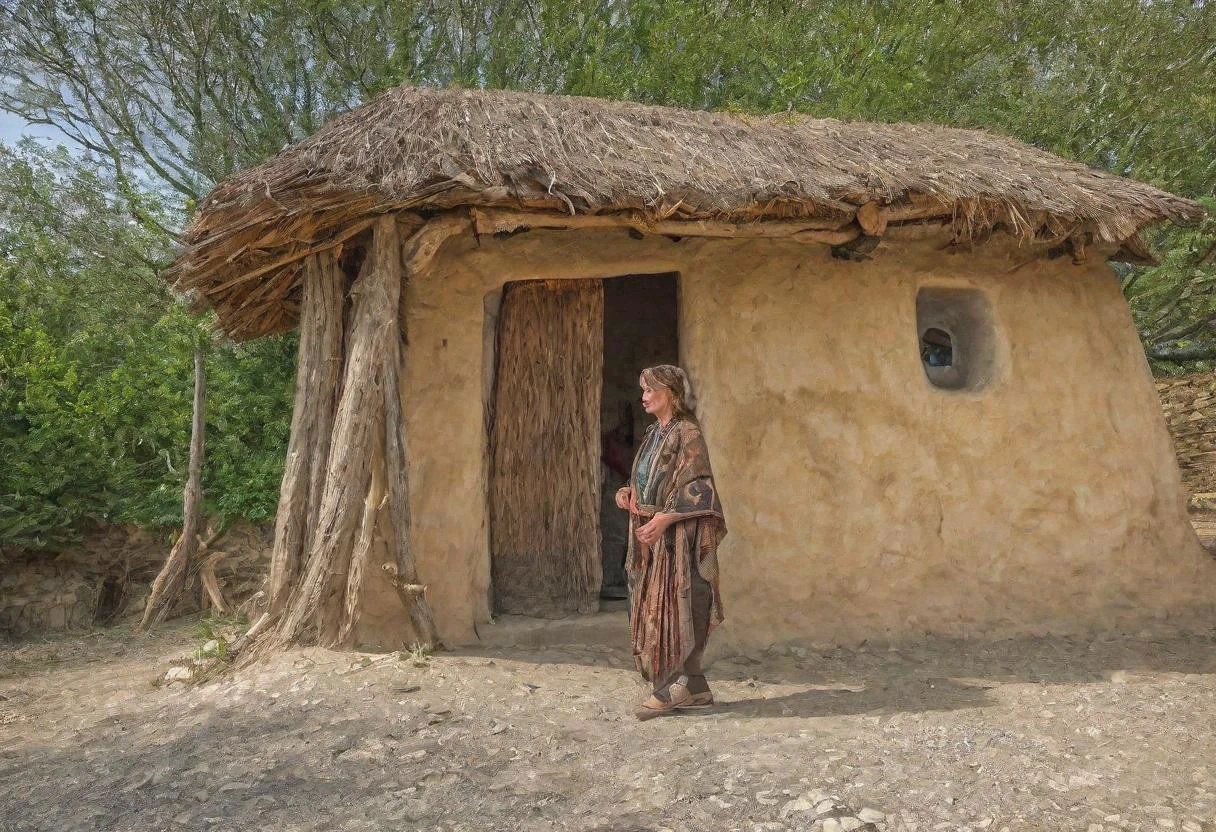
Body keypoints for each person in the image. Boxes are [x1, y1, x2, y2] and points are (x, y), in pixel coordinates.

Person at [614, 365, 726, 720]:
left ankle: (666, 690)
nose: (644, 397)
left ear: (671, 394)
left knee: (679, 608)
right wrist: (627, 494)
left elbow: (700, 488)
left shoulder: (688, 433)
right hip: (651, 537)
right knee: (651, 608)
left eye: (651, 390)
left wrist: (664, 518)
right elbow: (645, 479)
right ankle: (696, 688)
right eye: (643, 390)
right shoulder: (653, 433)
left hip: (679, 540)